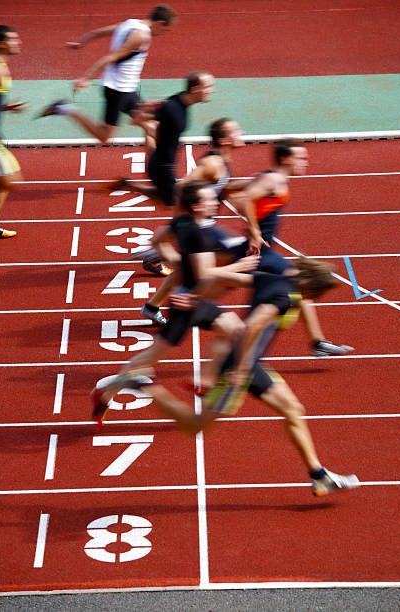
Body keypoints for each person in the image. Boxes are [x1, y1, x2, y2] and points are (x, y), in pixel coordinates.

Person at [117, 258, 360, 497]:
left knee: (293, 409)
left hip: (251, 364)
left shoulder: (271, 279)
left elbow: (217, 275)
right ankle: (143, 383)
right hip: (238, 366)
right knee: (196, 425)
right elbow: (250, 327)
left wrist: (196, 298)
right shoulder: (285, 297)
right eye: (319, 295)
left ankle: (319, 477)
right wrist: (242, 370)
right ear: (313, 288)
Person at [91, 179, 258, 426]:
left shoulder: (181, 221)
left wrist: (178, 262)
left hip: (197, 299)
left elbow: (158, 240)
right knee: (151, 356)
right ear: (197, 207)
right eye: (209, 199)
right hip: (186, 304)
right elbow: (205, 275)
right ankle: (104, 394)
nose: (215, 201)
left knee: (238, 332)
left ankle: (205, 382)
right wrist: (239, 266)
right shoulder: (198, 235)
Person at [239, 138, 354, 357]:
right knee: (299, 283)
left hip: (264, 251)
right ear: (285, 158)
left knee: (297, 286)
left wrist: (228, 190)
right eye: (300, 157)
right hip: (258, 251)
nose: (305, 161)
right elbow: (245, 198)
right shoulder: (274, 179)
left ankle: (317, 342)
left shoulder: (271, 179)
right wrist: (254, 232)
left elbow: (243, 193)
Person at [140, 117, 248, 324]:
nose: (241, 133)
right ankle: (188, 302)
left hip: (203, 226)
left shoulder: (224, 161)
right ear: (224, 140)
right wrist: (184, 224)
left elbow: (221, 189)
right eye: (236, 131)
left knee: (185, 270)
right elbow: (182, 188)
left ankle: (154, 306)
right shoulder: (212, 163)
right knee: (232, 256)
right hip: (197, 228)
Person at [106, 70, 215, 276]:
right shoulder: (174, 107)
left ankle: (128, 185)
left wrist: (152, 131)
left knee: (166, 203)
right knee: (184, 214)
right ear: (195, 89)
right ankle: (154, 256)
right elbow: (137, 119)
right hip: (162, 168)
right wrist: (144, 115)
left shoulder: (180, 103)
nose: (211, 90)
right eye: (208, 86)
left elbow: (160, 125)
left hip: (163, 163)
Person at [37, 5, 176, 144]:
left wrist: (81, 42)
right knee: (104, 136)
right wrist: (86, 78)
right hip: (118, 90)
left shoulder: (130, 23)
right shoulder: (141, 36)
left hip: (128, 87)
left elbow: (96, 33)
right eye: (166, 30)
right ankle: (64, 108)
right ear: (160, 23)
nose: (165, 33)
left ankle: (155, 162)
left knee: (150, 124)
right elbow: (110, 58)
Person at [0, 25, 26, 239]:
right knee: (10, 179)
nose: (19, 43)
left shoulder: (2, 65)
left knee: (4, 182)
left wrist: (5, 107)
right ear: (0, 44)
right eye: (13, 39)